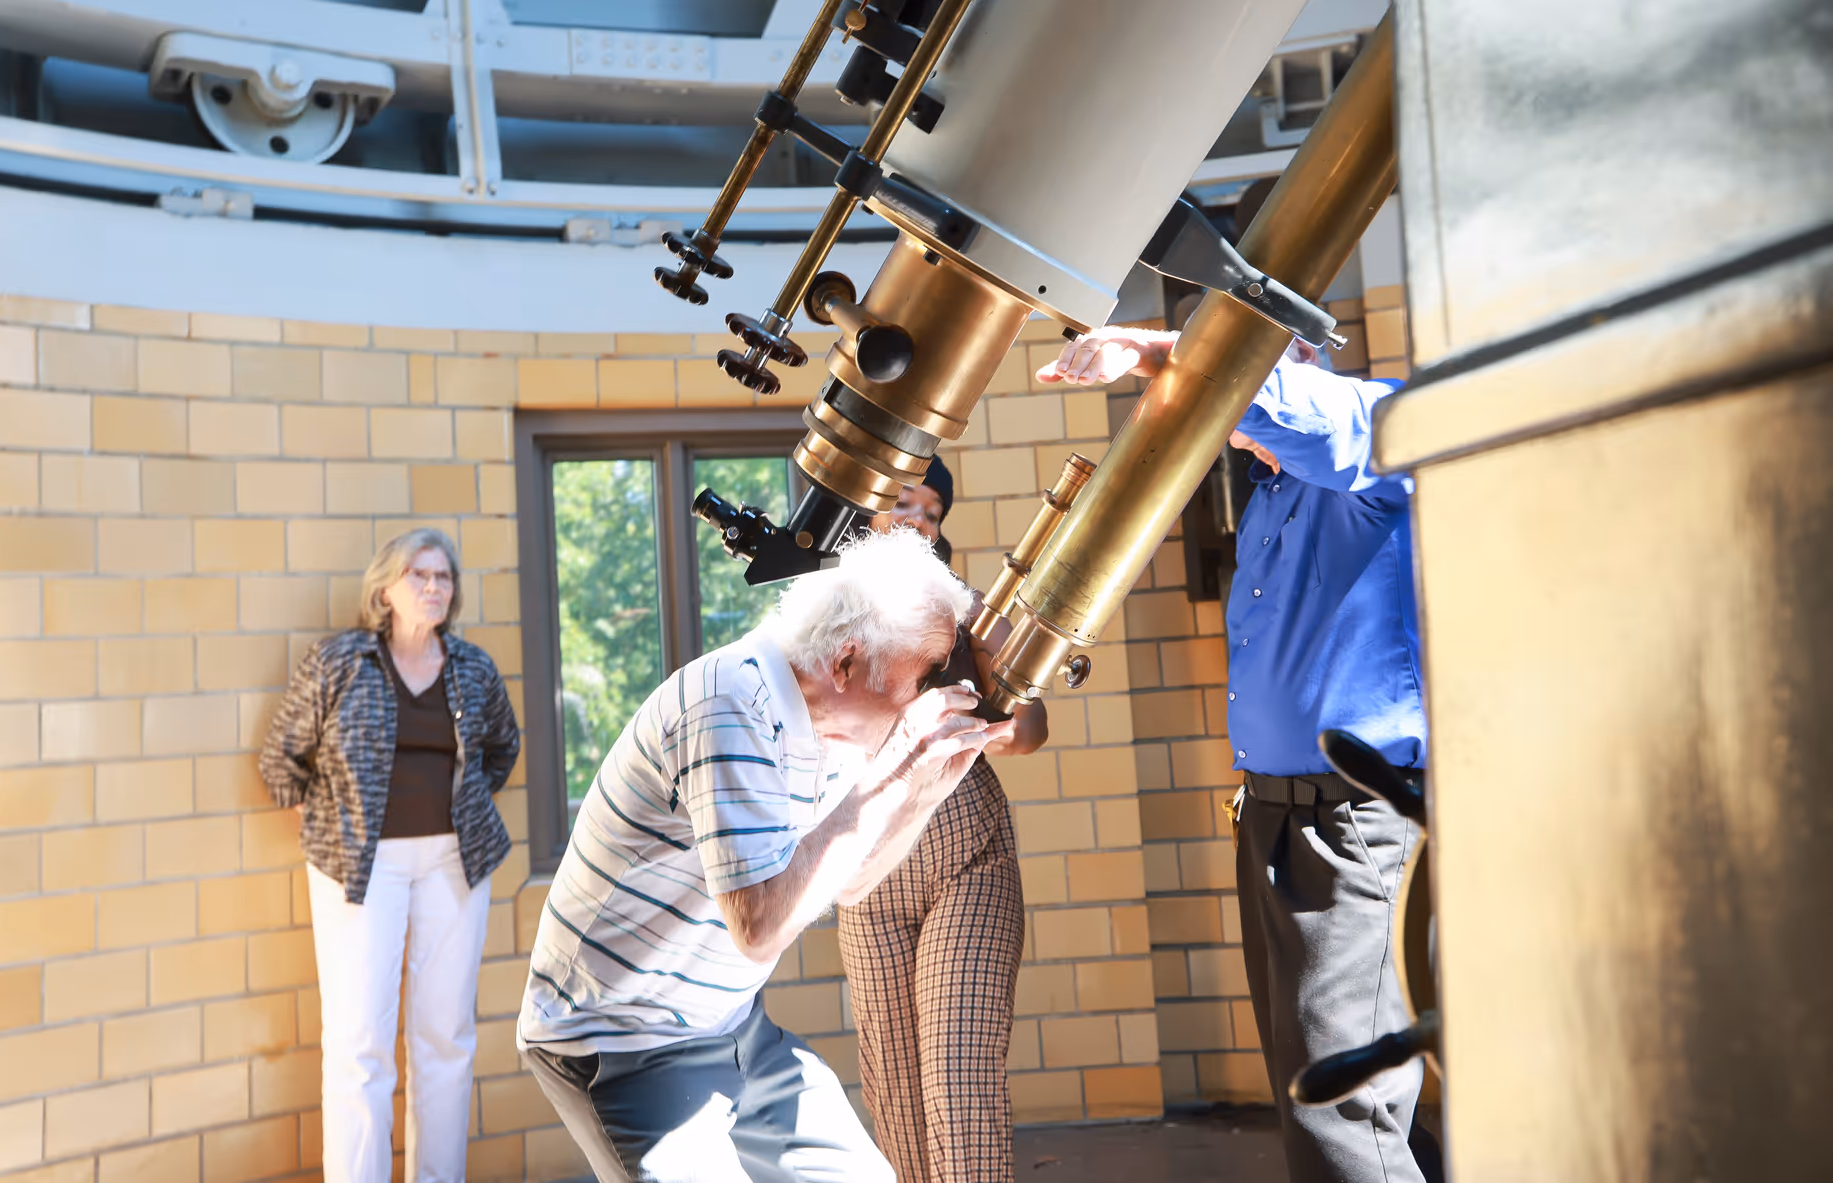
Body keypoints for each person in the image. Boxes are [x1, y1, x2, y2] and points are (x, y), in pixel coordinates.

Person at [1040, 329, 1429, 1183]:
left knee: (1341, 1096)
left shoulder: (1371, 428)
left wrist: (1153, 351)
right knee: (1318, 1079)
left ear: (1305, 364)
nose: (1222, 417)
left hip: (1352, 816)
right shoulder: (1268, 493)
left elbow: (1303, 414)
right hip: (1276, 812)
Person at [516, 528, 1014, 1183]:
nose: (931, 690)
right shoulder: (732, 706)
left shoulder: (833, 725)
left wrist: (929, 782)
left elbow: (854, 882)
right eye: (925, 671)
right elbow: (760, 928)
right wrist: (896, 772)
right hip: (622, 1039)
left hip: (731, 1025)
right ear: (845, 663)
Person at [260, 528, 520, 1183]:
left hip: (452, 866)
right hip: (358, 869)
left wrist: (456, 810)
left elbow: (502, 750)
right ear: (386, 590)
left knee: (446, 1039)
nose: (434, 587)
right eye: (420, 576)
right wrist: (332, 823)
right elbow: (280, 760)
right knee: (358, 1043)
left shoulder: (473, 666)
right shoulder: (340, 661)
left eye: (444, 577)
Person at [836, 456, 1049, 1183]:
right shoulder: (829, 619)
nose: (915, 520)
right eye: (901, 503)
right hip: (869, 884)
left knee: (958, 1078)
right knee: (897, 1101)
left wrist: (1003, 722)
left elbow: (1030, 727)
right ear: (867, 514)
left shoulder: (969, 615)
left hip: (968, 862)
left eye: (930, 511)